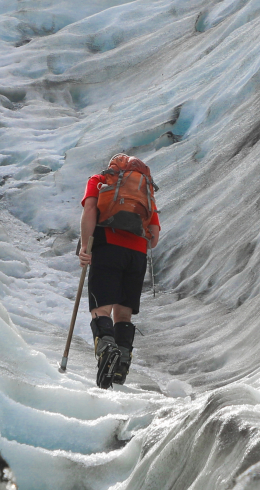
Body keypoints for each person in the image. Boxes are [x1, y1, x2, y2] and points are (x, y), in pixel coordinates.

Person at [78, 153, 159, 388]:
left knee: (101, 308)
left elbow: (90, 211)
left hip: (107, 247)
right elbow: (153, 237)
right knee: (123, 315)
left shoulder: (99, 180)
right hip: (137, 255)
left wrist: (85, 247)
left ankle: (107, 350)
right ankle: (121, 362)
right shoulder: (146, 191)